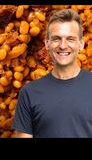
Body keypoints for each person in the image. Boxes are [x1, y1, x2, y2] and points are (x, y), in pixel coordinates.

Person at [12, 9, 92, 138]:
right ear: (47, 44)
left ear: (81, 44)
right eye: (56, 39)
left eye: (70, 39)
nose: (63, 45)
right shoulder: (28, 93)